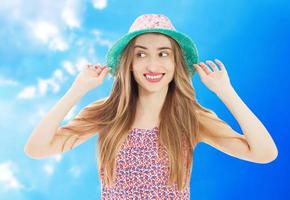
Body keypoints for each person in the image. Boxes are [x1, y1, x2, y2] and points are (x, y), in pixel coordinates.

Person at [24, 14, 278, 199]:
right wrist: (76, 90)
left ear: (176, 63)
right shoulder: (106, 113)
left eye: (163, 53)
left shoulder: (190, 118)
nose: (152, 65)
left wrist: (226, 92)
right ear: (129, 63)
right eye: (141, 54)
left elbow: (264, 153)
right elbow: (37, 148)